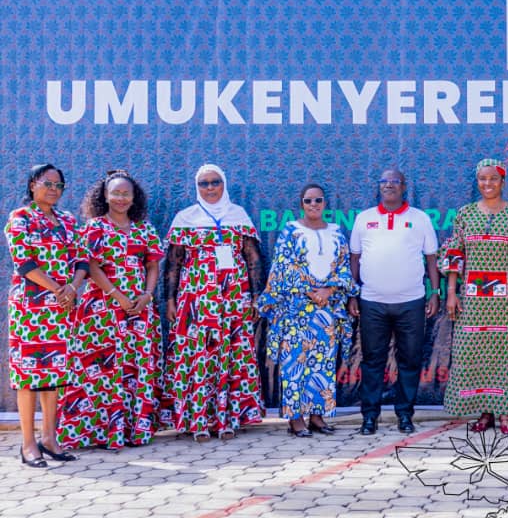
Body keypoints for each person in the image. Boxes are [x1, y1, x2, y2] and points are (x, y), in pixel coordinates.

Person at [58, 170, 164, 450]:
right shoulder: (94, 227)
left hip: (139, 310)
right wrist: (116, 295)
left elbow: (152, 265)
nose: (120, 198)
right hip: (103, 310)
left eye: (125, 193)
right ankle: (102, 432)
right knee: (103, 371)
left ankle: (133, 430)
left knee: (134, 368)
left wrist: (147, 295)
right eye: (115, 193)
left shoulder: (145, 228)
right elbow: (90, 265)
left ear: (134, 197)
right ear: (104, 196)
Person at [160, 164, 264, 441]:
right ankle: (197, 421)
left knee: (230, 356)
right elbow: (173, 263)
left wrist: (255, 296)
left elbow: (252, 258)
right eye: (204, 183)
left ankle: (227, 419)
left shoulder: (238, 215)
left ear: (224, 184)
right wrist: (169, 299)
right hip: (195, 301)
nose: (209, 188)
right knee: (198, 357)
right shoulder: (186, 217)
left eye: (215, 182)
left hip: (232, 299)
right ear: (197, 187)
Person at [441, 158, 508, 436]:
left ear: (502, 182)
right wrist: (451, 292)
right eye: (483, 179)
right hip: (472, 300)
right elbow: (454, 253)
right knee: (473, 353)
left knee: (505, 355)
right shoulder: (465, 214)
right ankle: (485, 411)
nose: (488, 184)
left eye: (493, 179)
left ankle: (506, 411)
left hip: (505, 299)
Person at [259, 184, 357, 437]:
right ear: (301, 204)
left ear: (325, 203)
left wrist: (329, 291)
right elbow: (283, 266)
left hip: (327, 309)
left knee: (322, 364)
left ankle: (317, 416)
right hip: (295, 309)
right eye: (308, 200)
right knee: (295, 364)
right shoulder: (291, 231)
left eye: (318, 200)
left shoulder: (336, 232)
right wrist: (310, 291)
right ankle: (295, 419)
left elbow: (344, 267)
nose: (313, 204)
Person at [5, 164, 87, 467]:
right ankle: (28, 445)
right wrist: (57, 288)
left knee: (54, 374)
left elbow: (82, 259)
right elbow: (24, 263)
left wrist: (73, 288)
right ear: (32, 185)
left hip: (62, 307)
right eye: (47, 183)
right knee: (29, 375)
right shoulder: (20, 219)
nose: (53, 189)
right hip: (31, 307)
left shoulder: (67, 220)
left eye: (59, 185)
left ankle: (50, 439)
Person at [347, 169, 439, 436]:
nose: (389, 186)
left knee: (409, 360)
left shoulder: (419, 219)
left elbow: (431, 259)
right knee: (372, 360)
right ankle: (370, 417)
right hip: (372, 302)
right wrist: (353, 294)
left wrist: (435, 292)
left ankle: (405, 415)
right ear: (378, 187)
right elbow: (355, 259)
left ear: (404, 187)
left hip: (411, 302)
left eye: (394, 182)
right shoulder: (364, 219)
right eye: (384, 182)